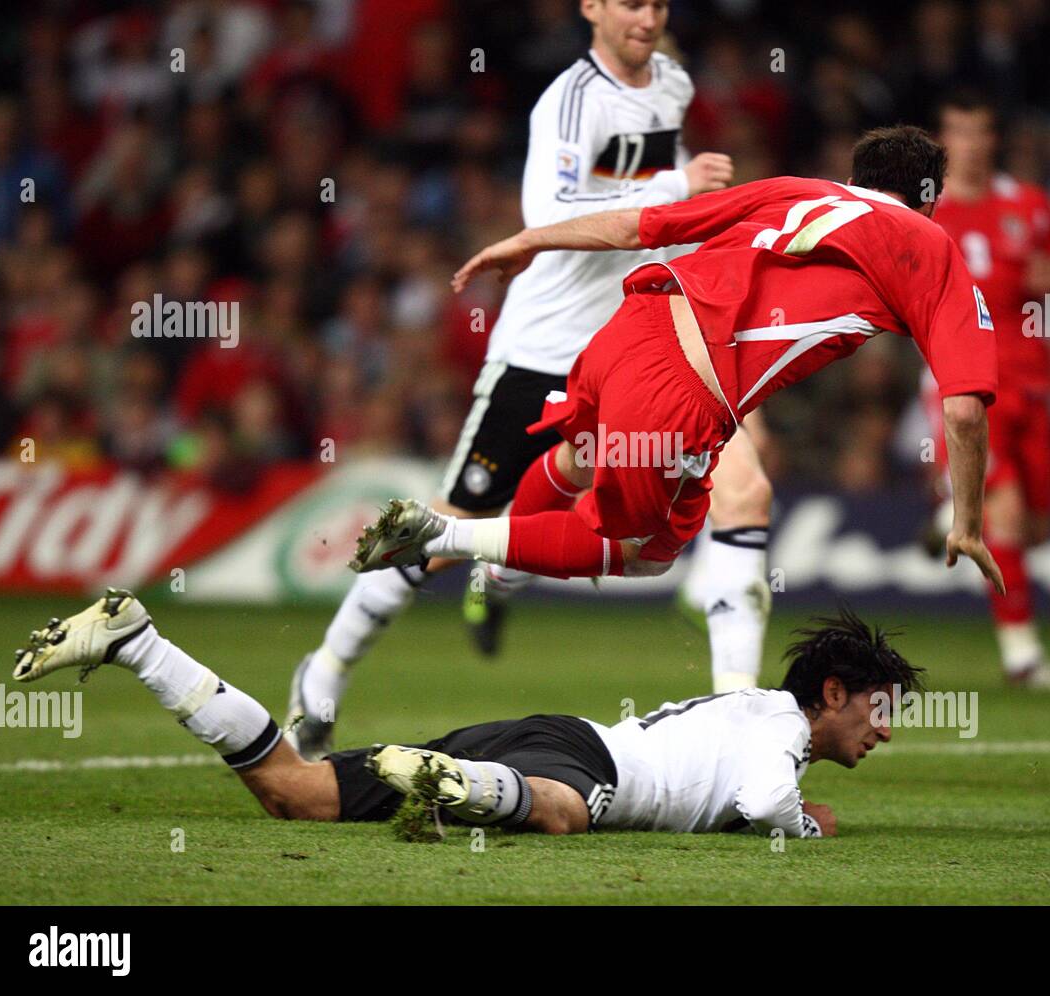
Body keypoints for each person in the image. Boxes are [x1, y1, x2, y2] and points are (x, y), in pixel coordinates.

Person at [286, 0, 774, 762]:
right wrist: (677, 186)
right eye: (630, 2)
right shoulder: (568, 100)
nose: (646, 17)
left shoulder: (672, 86)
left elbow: (651, 211)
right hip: (544, 348)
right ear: (591, 7)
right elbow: (548, 211)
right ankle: (322, 674)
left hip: (639, 342)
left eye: (657, 3)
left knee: (744, 492)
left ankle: (740, 731)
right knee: (444, 528)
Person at [352, 126, 1007, 601]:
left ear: (857, 179)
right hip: (680, 390)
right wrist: (969, 523)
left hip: (624, 330)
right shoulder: (929, 243)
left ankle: (505, 566)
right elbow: (963, 408)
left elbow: (643, 226)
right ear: (930, 199)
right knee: (642, 555)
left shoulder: (793, 191)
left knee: (587, 465)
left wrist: (532, 239)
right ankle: (445, 536)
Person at [12, 591, 921, 837]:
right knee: (564, 817)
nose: (883, 732)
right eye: (878, 711)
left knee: (292, 792)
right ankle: (458, 787)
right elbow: (765, 804)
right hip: (582, 769)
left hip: (549, 740)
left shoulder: (759, 705)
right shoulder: (782, 732)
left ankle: (138, 643)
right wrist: (807, 827)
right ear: (831, 695)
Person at [928, 92, 1050, 690]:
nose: (969, 144)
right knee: (1009, 518)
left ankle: (950, 503)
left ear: (993, 139)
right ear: (943, 140)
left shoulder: (1030, 205)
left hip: (1031, 383)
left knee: (1036, 527)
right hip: (965, 380)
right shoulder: (927, 211)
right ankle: (1022, 656)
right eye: (957, 131)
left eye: (979, 131)